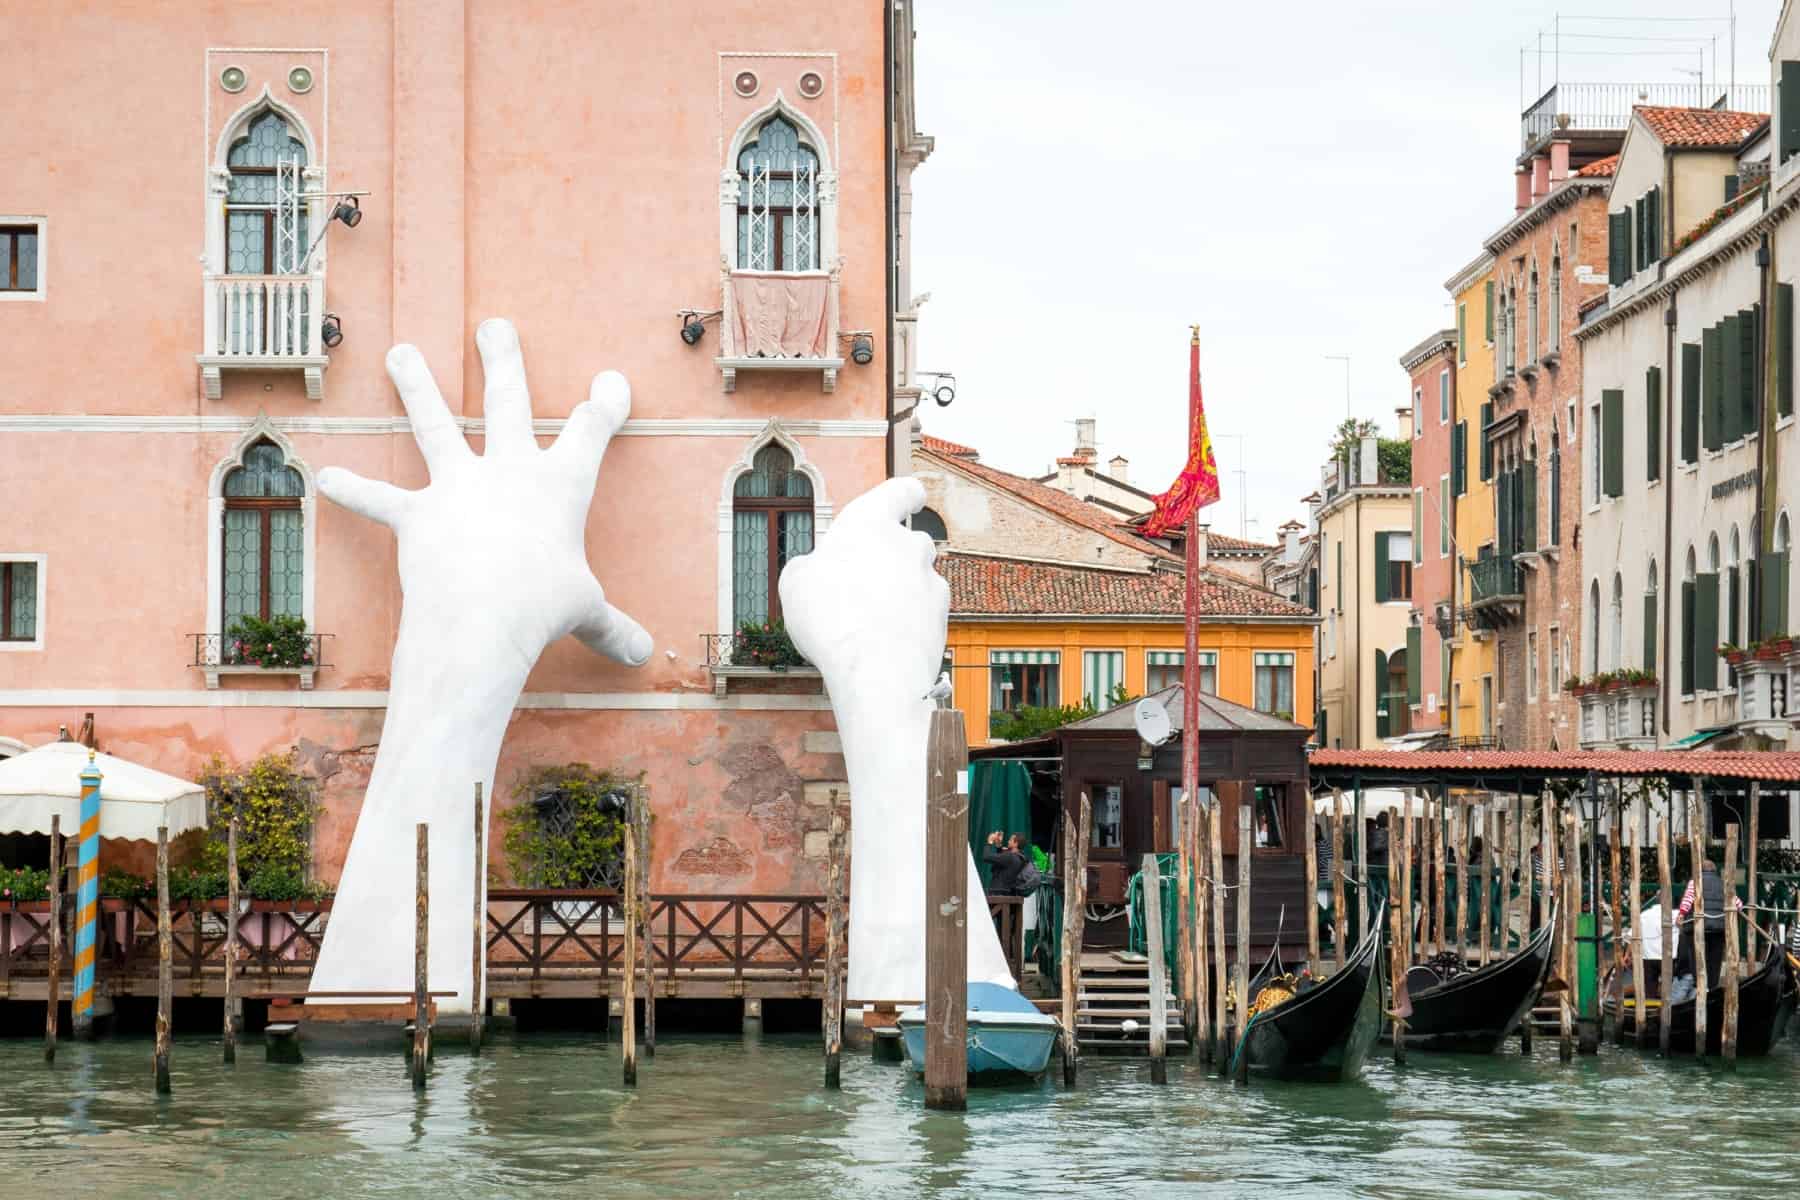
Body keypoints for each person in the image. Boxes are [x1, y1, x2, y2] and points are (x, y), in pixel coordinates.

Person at [1673, 857, 1737, 983]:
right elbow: (1737, 903)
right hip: (1718, 929)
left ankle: (1700, 985)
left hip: (1696, 928)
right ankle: (1712, 986)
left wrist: (1681, 914)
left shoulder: (1695, 882)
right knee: (1714, 961)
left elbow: (1687, 900)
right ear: (1714, 870)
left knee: (1697, 961)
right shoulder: (1723, 883)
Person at [982, 829, 1027, 896]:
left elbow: (986, 857)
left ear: (1016, 844)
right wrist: (998, 845)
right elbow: (1001, 861)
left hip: (997, 894)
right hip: (1006, 893)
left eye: (1010, 840)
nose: (1008, 841)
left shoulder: (1010, 856)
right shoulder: (1019, 857)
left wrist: (989, 842)